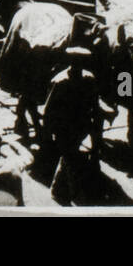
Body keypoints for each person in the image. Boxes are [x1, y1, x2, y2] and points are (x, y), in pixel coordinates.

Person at [41, 47, 102, 205]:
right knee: (70, 157)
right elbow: (48, 109)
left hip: (81, 126)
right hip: (64, 126)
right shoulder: (60, 81)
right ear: (70, 62)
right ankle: (75, 195)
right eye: (75, 61)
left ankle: (57, 189)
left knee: (69, 156)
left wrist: (96, 126)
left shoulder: (89, 79)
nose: (78, 65)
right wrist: (48, 131)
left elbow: (95, 104)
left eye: (81, 61)